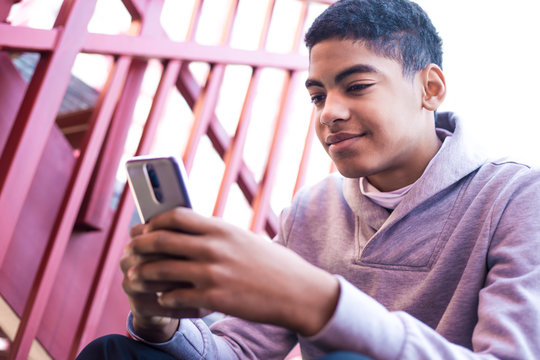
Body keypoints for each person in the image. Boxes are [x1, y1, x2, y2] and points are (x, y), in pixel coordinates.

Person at [77, 0, 540, 359]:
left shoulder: (516, 196)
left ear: (430, 88)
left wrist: (321, 303)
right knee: (116, 351)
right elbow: (240, 351)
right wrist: (162, 323)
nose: (330, 113)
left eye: (357, 86)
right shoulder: (311, 209)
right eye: (318, 96)